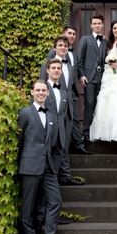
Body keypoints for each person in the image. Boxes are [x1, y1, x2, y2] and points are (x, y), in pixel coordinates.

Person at [18, 80, 72, 234]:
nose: (41, 93)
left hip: (49, 167)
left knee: (55, 201)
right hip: (30, 166)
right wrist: (22, 165)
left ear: (48, 93)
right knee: (28, 208)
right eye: (38, 90)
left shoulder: (52, 116)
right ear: (32, 92)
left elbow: (55, 144)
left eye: (44, 90)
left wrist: (54, 165)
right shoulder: (25, 113)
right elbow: (20, 142)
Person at [40, 36, 84, 186]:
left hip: (67, 110)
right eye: (60, 45)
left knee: (64, 143)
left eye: (65, 46)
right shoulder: (49, 65)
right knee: (51, 143)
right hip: (51, 110)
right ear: (55, 48)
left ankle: (65, 175)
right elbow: (42, 85)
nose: (63, 48)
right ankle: (52, 177)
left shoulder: (70, 66)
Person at [47, 27, 90, 155]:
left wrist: (81, 75)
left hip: (72, 91)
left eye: (73, 34)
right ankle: (62, 146)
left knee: (74, 118)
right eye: (69, 33)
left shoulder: (74, 53)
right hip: (58, 92)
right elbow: (47, 71)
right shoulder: (53, 54)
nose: (71, 36)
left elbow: (77, 67)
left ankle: (78, 143)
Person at [77, 14, 107, 141]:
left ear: (102, 24)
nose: (97, 25)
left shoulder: (106, 41)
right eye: (94, 23)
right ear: (91, 25)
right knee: (89, 103)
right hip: (89, 78)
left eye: (99, 23)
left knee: (100, 105)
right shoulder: (85, 39)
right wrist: (82, 75)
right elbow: (79, 59)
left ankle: (98, 132)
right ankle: (85, 133)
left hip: (104, 78)